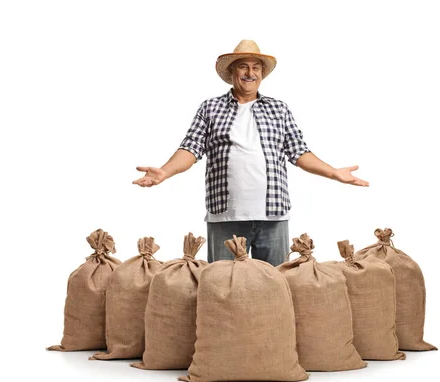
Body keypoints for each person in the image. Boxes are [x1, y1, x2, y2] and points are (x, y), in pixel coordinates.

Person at [133, 40, 368, 266]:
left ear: (262, 74)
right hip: (225, 217)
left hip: (273, 216)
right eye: (243, 66)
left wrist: (334, 173)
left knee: (275, 284)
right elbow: (191, 148)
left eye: (256, 68)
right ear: (232, 71)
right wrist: (164, 171)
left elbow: (298, 152)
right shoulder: (210, 108)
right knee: (222, 285)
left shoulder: (279, 109)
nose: (250, 73)